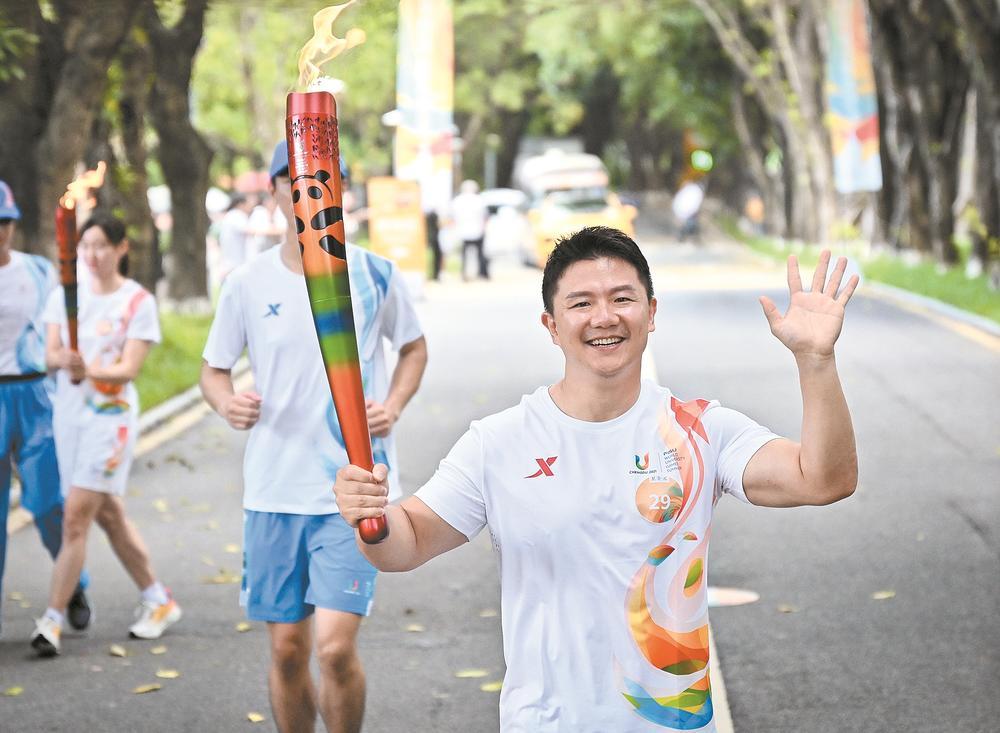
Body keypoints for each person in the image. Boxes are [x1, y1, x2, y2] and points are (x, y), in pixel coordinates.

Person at [334, 226, 860, 731]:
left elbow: (823, 479)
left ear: (651, 313)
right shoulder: (499, 442)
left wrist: (816, 361)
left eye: (622, 299)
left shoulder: (699, 429)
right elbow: (405, 545)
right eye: (581, 303)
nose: (603, 317)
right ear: (551, 325)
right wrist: (371, 516)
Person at [200, 142, 428, 733]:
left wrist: (394, 404)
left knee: (332, 648)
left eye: (322, 184)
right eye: (292, 183)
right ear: (275, 192)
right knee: (287, 651)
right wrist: (227, 402)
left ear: (341, 194)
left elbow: (413, 346)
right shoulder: (247, 282)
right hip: (274, 490)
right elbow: (214, 367)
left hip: (354, 489)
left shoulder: (375, 274)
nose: (305, 195)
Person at [30, 213, 180, 657]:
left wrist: (88, 368)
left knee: (76, 515)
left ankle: (52, 620)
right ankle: (158, 598)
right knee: (108, 514)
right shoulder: (65, 295)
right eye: (84, 247)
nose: (91, 255)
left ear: (121, 248)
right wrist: (65, 362)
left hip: (110, 419)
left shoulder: (137, 302)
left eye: (99, 246)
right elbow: (51, 352)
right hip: (69, 415)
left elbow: (129, 369)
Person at [0, 180, 91, 637]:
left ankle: (73, 583)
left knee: (46, 502)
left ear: (13, 225)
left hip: (35, 395)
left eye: (4, 223)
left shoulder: (38, 271)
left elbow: (70, 316)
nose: (0, 231)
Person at [451, 179, 489, 281]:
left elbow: (453, 217)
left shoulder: (457, 201)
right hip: (477, 229)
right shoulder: (479, 200)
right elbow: (485, 216)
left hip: (463, 231)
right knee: (480, 253)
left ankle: (463, 273)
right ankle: (482, 273)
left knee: (464, 255)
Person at [217, 193, 257, 279]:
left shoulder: (231, 215)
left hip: (231, 264)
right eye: (248, 202)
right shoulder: (236, 215)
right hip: (234, 266)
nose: (251, 205)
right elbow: (250, 231)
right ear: (241, 204)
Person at [247, 193, 287, 257]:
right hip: (260, 249)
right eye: (269, 202)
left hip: (275, 249)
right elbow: (251, 230)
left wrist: (268, 231)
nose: (271, 204)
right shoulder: (259, 211)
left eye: (273, 202)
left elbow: (284, 229)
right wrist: (271, 231)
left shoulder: (279, 212)